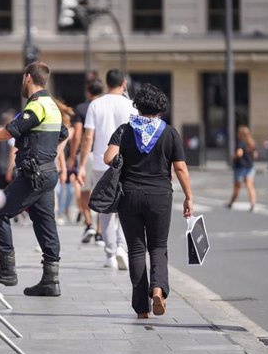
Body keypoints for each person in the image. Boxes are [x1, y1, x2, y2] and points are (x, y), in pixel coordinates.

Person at [0, 61, 69, 297]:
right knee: (45, 224)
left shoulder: (37, 106)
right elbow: (65, 134)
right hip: (45, 174)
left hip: (34, 176)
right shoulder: (51, 105)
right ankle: (51, 280)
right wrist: (52, 157)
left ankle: (7, 270)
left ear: (28, 78)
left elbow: (7, 133)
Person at [104, 83, 193, 319]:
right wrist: (189, 197)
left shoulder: (124, 130)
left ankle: (141, 309)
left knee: (135, 249)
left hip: (129, 195)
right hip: (160, 196)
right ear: (161, 107)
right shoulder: (170, 132)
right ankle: (158, 290)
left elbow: (108, 158)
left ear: (138, 105)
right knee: (158, 246)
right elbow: (181, 168)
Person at [78, 69, 137, 270]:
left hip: (100, 162)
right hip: (126, 162)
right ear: (124, 84)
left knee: (105, 208)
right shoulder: (131, 106)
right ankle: (122, 247)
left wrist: (81, 165)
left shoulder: (96, 104)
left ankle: (110, 254)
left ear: (106, 83)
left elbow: (88, 137)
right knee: (125, 208)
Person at [68, 78, 104, 243]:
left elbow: (77, 135)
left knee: (84, 191)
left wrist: (72, 156)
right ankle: (99, 231)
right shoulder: (104, 107)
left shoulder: (81, 108)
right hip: (103, 154)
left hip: (86, 154)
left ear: (88, 92)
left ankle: (88, 224)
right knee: (101, 193)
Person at [227, 125, 258, 212]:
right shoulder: (251, 142)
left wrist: (233, 157)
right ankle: (253, 204)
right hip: (250, 166)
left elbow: (239, 153)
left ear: (240, 134)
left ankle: (231, 202)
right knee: (250, 185)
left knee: (237, 186)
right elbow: (255, 155)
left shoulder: (240, 142)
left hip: (240, 167)